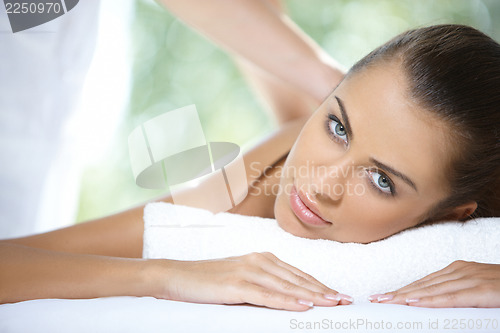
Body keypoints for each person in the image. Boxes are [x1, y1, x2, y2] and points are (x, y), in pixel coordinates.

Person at [1, 22, 499, 311]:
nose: (320, 184)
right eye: (338, 126)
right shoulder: (256, 182)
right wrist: (165, 274)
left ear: (454, 214)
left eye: (381, 180)